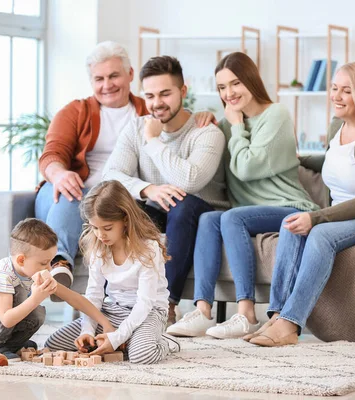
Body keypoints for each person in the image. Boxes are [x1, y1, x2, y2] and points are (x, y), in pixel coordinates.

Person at [247, 61, 355, 347]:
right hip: (341, 211)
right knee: (290, 226)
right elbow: (337, 161)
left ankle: (291, 323)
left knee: (320, 235)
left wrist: (316, 218)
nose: (336, 96)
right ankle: (277, 315)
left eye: (346, 91)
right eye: (334, 88)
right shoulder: (338, 124)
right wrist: (298, 160)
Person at [35, 42, 214, 299]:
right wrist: (59, 173)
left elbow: (178, 117)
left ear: (130, 75)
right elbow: (51, 154)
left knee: (109, 205)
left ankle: (116, 303)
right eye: (99, 78)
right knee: (72, 192)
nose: (107, 84)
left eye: (114, 75)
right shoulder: (76, 111)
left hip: (119, 196)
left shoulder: (149, 109)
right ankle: (60, 265)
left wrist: (203, 116)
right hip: (67, 189)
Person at [166, 52, 319, 339]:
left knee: (232, 218)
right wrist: (206, 117)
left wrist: (235, 125)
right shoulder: (226, 123)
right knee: (210, 219)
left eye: (235, 83)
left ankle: (246, 313)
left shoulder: (277, 115)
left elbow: (247, 167)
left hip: (289, 207)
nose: (229, 93)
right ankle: (202, 310)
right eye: (222, 87)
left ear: (251, 80)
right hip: (248, 212)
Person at [102, 55, 229, 325]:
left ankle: (166, 305)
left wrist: (153, 140)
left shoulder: (206, 132)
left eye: (165, 93)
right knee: (115, 206)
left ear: (183, 91)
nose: (156, 103)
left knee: (180, 203)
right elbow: (110, 175)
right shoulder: (136, 127)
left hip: (200, 211)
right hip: (158, 208)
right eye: (149, 95)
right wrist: (147, 189)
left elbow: (190, 181)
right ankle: (113, 302)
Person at [44, 181, 181, 364]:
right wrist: (88, 331)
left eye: (107, 228)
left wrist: (116, 337)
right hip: (113, 310)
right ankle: (127, 340)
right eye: (94, 227)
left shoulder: (149, 249)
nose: (101, 235)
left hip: (149, 311)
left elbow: (145, 302)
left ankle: (163, 341)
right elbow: (93, 296)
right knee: (54, 343)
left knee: (142, 356)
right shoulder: (98, 249)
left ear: (125, 219)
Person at [0, 218, 113, 359]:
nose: (49, 269)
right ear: (21, 260)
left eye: (51, 262)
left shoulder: (35, 270)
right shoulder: (3, 274)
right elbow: (6, 319)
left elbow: (74, 298)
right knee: (19, 294)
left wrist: (104, 323)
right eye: (44, 263)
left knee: (37, 313)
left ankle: (8, 345)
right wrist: (35, 298)